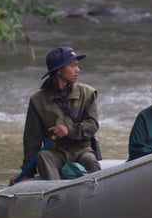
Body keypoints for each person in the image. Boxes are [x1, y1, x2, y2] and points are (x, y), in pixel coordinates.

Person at [22, 46, 101, 180]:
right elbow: (32, 140)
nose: (78, 70)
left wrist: (68, 130)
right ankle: (55, 191)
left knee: (90, 161)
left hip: (81, 152)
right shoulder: (37, 100)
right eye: (73, 65)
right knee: (43, 156)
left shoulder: (87, 93)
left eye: (77, 65)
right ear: (58, 70)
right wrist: (26, 173)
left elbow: (92, 125)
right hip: (55, 154)